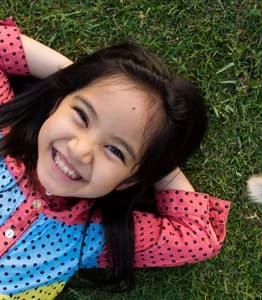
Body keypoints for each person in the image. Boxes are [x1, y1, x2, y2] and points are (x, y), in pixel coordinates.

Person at [0, 18, 230, 299]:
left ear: (128, 180)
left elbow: (198, 238)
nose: (80, 150)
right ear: (57, 104)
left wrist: (159, 162)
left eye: (115, 151)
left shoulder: (96, 237)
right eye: (82, 115)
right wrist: (73, 77)